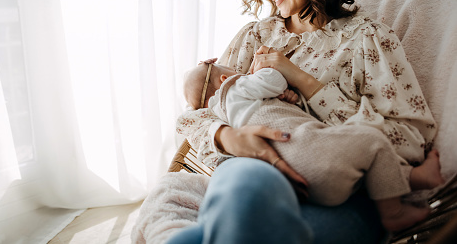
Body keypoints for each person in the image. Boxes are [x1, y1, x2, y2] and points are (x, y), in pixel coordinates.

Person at [169, 0, 442, 244]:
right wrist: (228, 137)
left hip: (342, 191)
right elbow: (193, 114)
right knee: (247, 200)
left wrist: (306, 83)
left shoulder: (367, 39)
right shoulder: (255, 37)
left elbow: (409, 139)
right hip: (253, 169)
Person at [182, 58, 442, 231]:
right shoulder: (236, 85)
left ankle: (415, 177)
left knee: (350, 151)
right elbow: (272, 79)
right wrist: (269, 70)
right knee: (371, 141)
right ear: (222, 80)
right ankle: (393, 211)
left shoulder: (224, 111)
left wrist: (287, 99)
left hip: (300, 186)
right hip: (312, 158)